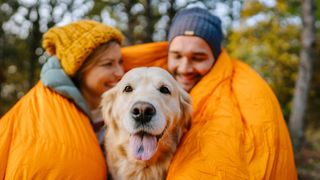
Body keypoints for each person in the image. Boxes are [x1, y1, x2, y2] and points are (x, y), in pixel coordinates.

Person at [121, 7, 297, 179]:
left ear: (216, 57)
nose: (184, 68)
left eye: (198, 58)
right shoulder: (150, 76)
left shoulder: (241, 91)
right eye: (176, 56)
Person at [0, 20, 124, 179]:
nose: (120, 72)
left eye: (121, 62)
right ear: (81, 69)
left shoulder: (119, 112)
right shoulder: (48, 112)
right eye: (108, 64)